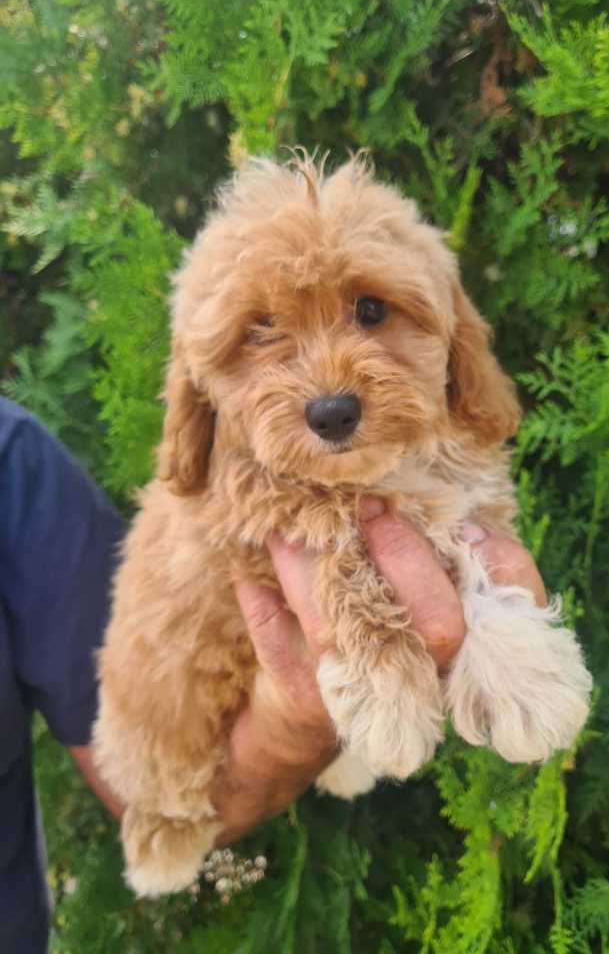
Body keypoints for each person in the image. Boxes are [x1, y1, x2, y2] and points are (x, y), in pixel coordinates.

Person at [0, 397, 547, 951]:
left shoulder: (12, 463)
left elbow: (131, 775)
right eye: (262, 335)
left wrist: (295, 722)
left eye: (370, 311)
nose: (326, 385)